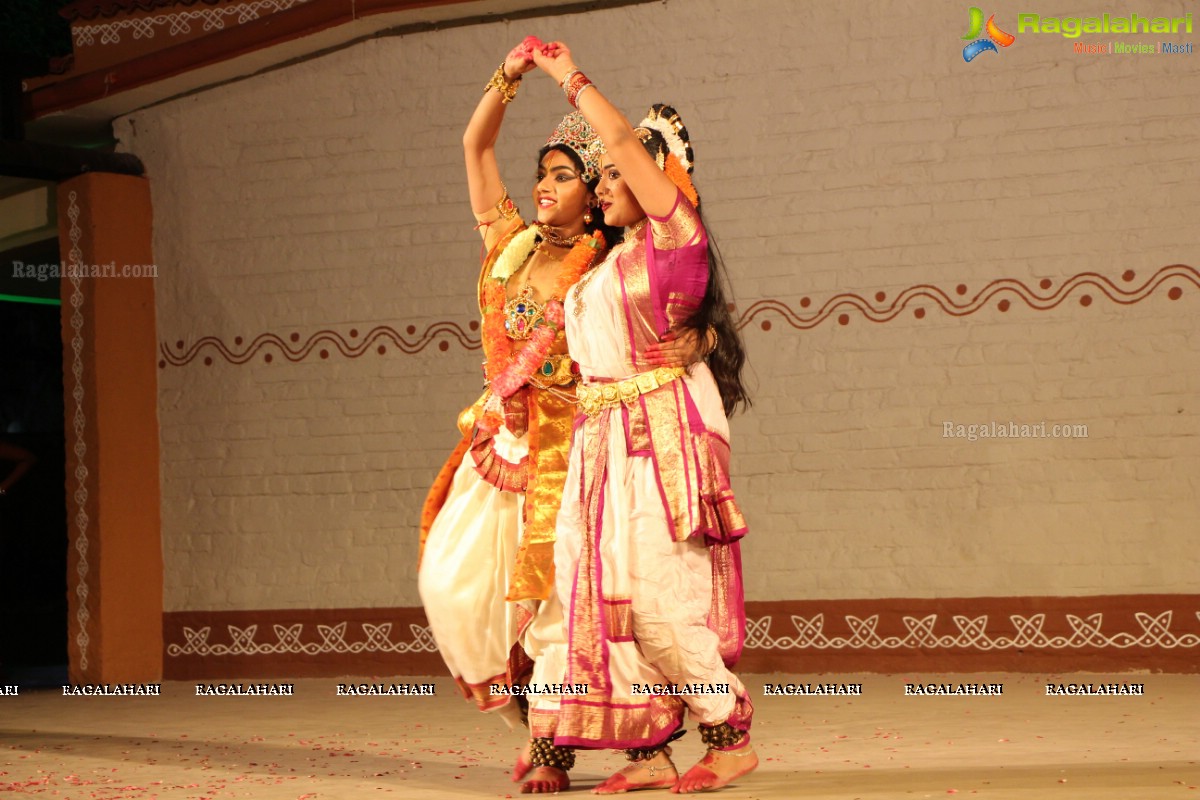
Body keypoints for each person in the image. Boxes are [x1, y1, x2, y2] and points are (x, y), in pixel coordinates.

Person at [416, 39, 702, 795]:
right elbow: (474, 145)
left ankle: (596, 745)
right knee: (458, 589)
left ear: (592, 192)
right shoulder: (506, 246)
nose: (546, 187)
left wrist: (700, 335)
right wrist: (508, 77)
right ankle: (534, 720)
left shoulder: (614, 263)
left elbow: (670, 308)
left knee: (560, 605)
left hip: (574, 448)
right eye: (543, 174)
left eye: (564, 176)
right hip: (499, 446)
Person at [526, 42, 757, 794]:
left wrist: (568, 77)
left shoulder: (675, 242)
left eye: (618, 173)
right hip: (599, 450)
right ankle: (629, 752)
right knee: (581, 602)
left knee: (658, 601)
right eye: (602, 177)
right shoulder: (605, 264)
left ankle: (728, 737)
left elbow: (622, 141)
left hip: (655, 448)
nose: (606, 180)